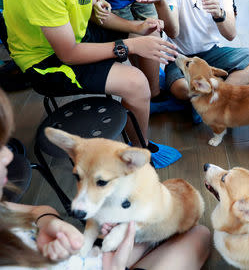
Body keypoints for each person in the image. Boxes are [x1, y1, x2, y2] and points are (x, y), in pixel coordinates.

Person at [0, 87, 211, 269]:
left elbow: (38, 210)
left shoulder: (4, 209)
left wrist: (47, 221)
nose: (10, 154)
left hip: (94, 257)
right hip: (107, 263)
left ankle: (145, 238)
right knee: (200, 235)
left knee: (171, 229)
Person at [3, 0, 181, 167]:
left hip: (74, 34)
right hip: (45, 61)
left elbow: (89, 11)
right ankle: (139, 149)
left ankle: (152, 97)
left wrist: (136, 27)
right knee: (136, 83)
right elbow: (68, 53)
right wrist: (130, 46)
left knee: (150, 35)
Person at [142, 0, 249, 102]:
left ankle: (216, 96)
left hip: (212, 53)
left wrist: (219, 14)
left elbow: (231, 34)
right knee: (183, 89)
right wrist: (161, 2)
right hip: (180, 59)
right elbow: (173, 32)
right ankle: (219, 94)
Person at [94, 0, 182, 102]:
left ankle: (153, 86)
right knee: (135, 40)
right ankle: (150, 88)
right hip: (115, 1)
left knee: (154, 30)